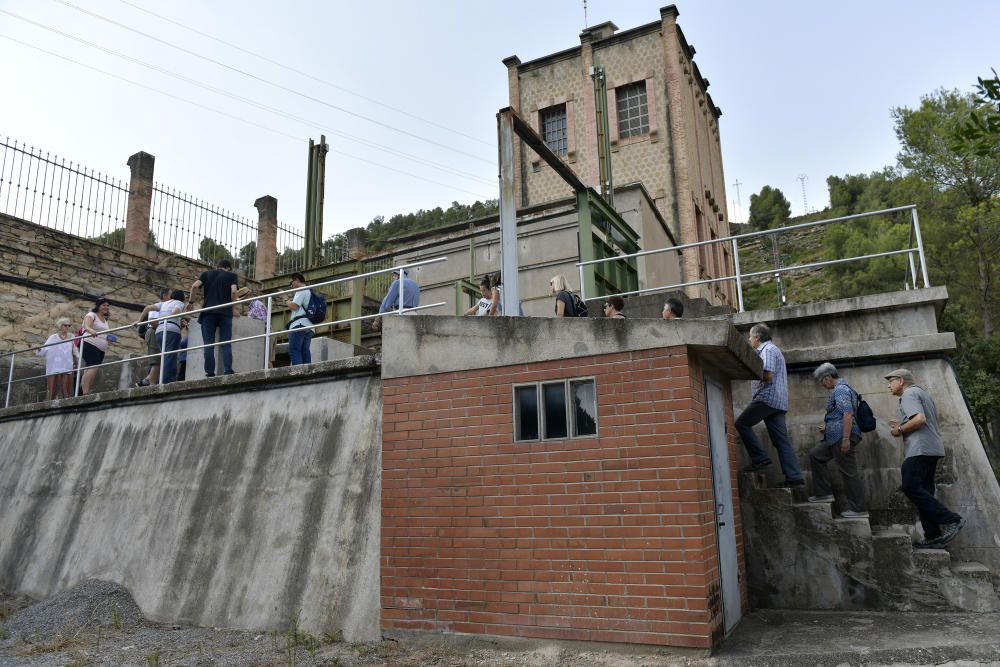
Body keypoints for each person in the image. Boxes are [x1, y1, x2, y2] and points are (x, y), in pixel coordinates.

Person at [886, 368, 966, 548]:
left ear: (901, 380)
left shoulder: (909, 394)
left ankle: (951, 519)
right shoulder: (922, 393)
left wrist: (899, 430)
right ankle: (933, 536)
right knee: (925, 492)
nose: (888, 385)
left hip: (919, 449)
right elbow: (922, 419)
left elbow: (920, 419)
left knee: (910, 486)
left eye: (890, 381)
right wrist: (902, 424)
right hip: (931, 448)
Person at [736, 323, 805, 487]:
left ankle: (760, 458)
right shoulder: (774, 350)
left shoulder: (766, 350)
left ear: (758, 337)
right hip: (778, 402)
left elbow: (767, 374)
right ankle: (795, 477)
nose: (749, 339)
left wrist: (747, 372)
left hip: (767, 398)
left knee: (741, 423)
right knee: (781, 441)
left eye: (751, 336)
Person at [808, 362, 868, 517]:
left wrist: (846, 439)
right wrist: (828, 428)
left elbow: (847, 413)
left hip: (842, 436)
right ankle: (823, 493)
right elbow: (840, 415)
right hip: (834, 435)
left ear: (828, 377)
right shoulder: (841, 388)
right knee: (816, 455)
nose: (821, 384)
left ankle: (858, 509)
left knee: (849, 472)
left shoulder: (840, 389)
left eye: (821, 381)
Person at [188, 259, 239, 377]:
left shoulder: (207, 274)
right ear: (228, 268)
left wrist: (191, 302)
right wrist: (233, 307)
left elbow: (195, 286)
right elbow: (233, 292)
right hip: (225, 312)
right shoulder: (232, 276)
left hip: (208, 312)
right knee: (226, 343)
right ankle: (227, 371)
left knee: (208, 344)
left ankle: (210, 372)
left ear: (218, 266)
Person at [134, 288, 170, 387]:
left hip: (157, 333)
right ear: (165, 296)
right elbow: (153, 321)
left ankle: (145, 381)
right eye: (171, 295)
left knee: (159, 359)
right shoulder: (158, 306)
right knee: (156, 360)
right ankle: (151, 384)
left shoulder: (166, 307)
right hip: (154, 333)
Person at [36, 317, 77, 399]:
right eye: (65, 325)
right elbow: (44, 349)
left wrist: (78, 358)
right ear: (60, 326)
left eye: (69, 325)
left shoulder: (72, 337)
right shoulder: (53, 337)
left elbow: (76, 349)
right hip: (54, 364)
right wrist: (38, 348)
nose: (68, 327)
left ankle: (67, 404)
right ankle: (50, 405)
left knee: (65, 388)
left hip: (66, 364)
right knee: (52, 388)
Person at [80, 297, 113, 396]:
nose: (106, 307)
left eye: (107, 306)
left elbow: (103, 333)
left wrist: (109, 338)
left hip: (100, 348)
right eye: (104, 305)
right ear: (98, 306)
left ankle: (83, 391)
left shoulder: (105, 320)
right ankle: (85, 392)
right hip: (90, 344)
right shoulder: (91, 315)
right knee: (93, 367)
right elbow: (86, 326)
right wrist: (91, 331)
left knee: (90, 368)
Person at [286, 272, 313, 366]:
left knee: (295, 350)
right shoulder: (310, 292)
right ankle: (308, 374)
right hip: (309, 326)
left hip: (299, 325)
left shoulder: (301, 290)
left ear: (296, 280)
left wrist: (287, 301)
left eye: (291, 282)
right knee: (305, 351)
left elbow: (294, 306)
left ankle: (298, 374)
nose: (291, 285)